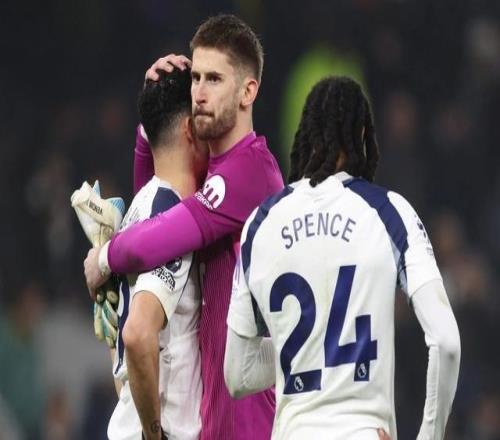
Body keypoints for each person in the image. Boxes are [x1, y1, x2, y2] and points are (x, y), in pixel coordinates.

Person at [224, 76, 461, 439]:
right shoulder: (389, 213)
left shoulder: (262, 223)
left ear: (305, 134)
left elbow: (237, 374)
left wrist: (304, 348)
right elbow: (446, 343)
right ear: (363, 136)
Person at [84, 14, 282, 439]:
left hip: (248, 420)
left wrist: (103, 258)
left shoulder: (249, 172)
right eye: (195, 78)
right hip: (212, 418)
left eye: (215, 79)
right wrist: (154, 118)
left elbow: (158, 237)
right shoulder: (211, 171)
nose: (199, 93)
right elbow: (162, 209)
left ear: (248, 91)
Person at [108, 67, 207, 440]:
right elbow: (136, 334)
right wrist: (153, 434)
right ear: (190, 129)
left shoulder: (139, 210)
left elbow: (118, 344)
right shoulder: (169, 215)